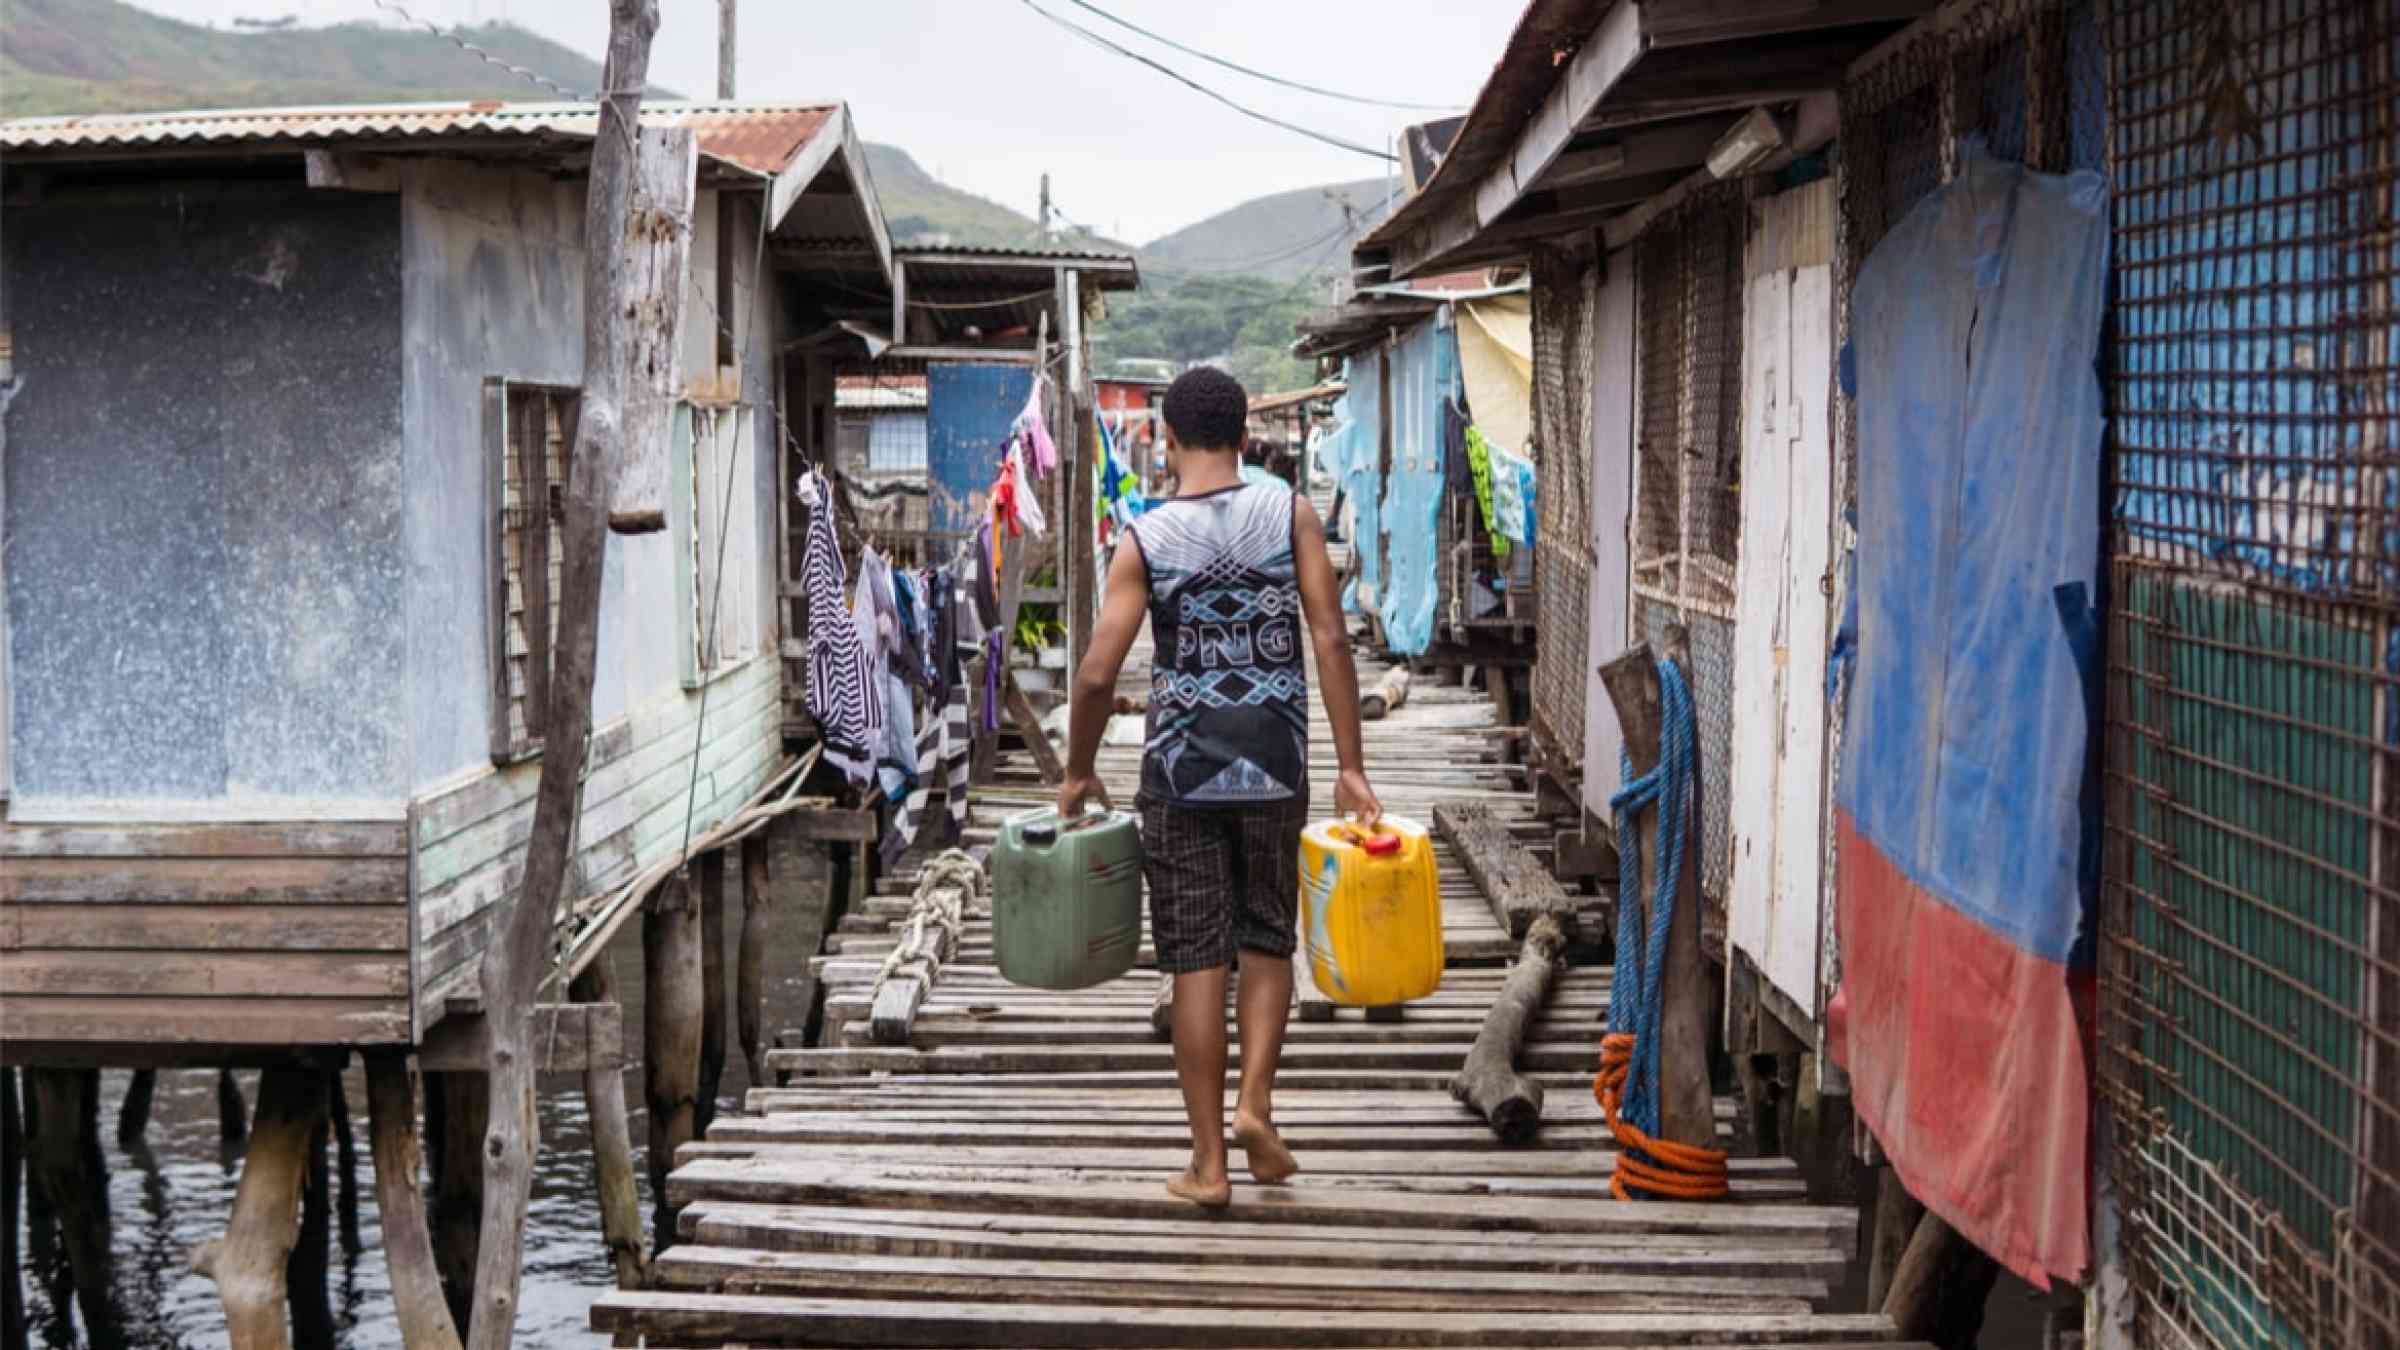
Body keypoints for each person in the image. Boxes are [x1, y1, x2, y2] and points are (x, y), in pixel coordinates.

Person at [1059, 365, 1382, 1209]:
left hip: (1181, 772)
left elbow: (1096, 674)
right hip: (1277, 762)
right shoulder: (1291, 513)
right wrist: (1350, 766)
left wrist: (1077, 768)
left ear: (1166, 440)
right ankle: (1255, 1106)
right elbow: (1333, 641)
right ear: (1243, 435)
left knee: (1197, 957)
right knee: (1268, 937)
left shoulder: (1145, 535)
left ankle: (1209, 1165)